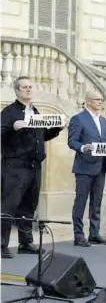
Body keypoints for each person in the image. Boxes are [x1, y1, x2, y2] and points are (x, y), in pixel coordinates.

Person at [1, 76, 67, 259]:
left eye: (31, 87)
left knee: (29, 205)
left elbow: (42, 136)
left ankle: (25, 242)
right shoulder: (9, 112)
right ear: (17, 91)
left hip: (34, 166)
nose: (29, 90)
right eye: (24, 88)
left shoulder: (36, 112)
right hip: (15, 165)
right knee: (9, 205)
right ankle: (1, 244)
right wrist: (13, 127)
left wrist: (57, 128)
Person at [68, 91, 106, 247]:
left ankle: (94, 233)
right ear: (88, 101)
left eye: (101, 99)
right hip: (84, 166)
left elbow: (104, 141)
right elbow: (72, 141)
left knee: (96, 202)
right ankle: (79, 235)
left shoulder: (103, 120)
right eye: (97, 100)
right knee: (80, 202)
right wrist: (82, 147)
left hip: (100, 167)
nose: (100, 102)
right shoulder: (78, 119)